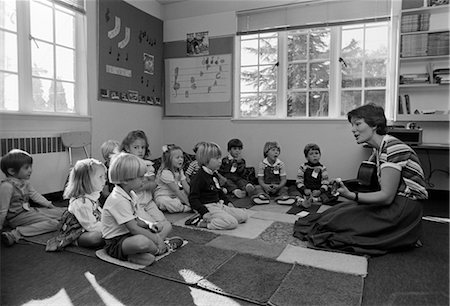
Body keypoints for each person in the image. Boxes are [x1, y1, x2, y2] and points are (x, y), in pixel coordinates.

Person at [293, 104, 428, 255]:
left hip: (403, 208)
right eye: (352, 125)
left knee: (336, 226)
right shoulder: (379, 149)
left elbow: (386, 197)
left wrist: (350, 195)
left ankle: (404, 233)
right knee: (331, 215)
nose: (353, 129)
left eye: (358, 124)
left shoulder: (392, 148)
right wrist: (346, 189)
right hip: (395, 202)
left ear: (375, 125)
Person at [102, 152, 183, 266]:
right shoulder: (118, 199)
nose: (144, 180)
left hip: (129, 235)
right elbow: (134, 228)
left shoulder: (131, 194)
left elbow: (136, 219)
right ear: (125, 180)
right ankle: (161, 248)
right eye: (140, 177)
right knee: (142, 241)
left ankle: (140, 253)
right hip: (116, 242)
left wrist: (149, 224)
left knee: (166, 225)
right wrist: (157, 239)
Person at [0, 149, 64, 246]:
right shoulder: (7, 186)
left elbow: (35, 196)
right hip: (16, 218)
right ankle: (15, 234)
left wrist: (50, 205)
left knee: (63, 212)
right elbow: (3, 210)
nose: (30, 170)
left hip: (29, 211)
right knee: (54, 224)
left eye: (30, 167)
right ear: (12, 171)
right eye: (26, 168)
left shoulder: (25, 182)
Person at [120, 130, 171, 239]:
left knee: (164, 223)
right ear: (128, 148)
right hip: (136, 205)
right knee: (150, 224)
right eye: (136, 147)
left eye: (143, 147)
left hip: (149, 201)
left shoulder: (148, 165)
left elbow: (154, 183)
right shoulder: (127, 165)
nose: (140, 151)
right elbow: (136, 187)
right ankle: (156, 240)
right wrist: (146, 182)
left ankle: (157, 239)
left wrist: (145, 183)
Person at [188, 142, 248, 230]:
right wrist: (204, 212)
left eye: (220, 157)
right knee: (232, 223)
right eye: (217, 158)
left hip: (219, 204)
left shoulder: (213, 174)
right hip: (208, 208)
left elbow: (219, 191)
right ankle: (201, 222)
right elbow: (193, 198)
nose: (220, 161)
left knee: (243, 216)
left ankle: (220, 217)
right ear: (206, 160)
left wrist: (228, 202)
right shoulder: (199, 177)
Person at [63, 158, 107, 248]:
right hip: (77, 232)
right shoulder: (81, 203)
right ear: (86, 180)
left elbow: (99, 213)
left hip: (87, 227)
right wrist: (111, 227)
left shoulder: (92, 196)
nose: (104, 180)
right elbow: (91, 226)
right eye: (100, 177)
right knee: (96, 238)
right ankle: (73, 242)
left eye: (104, 177)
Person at [154, 145, 191, 213]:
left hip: (175, 196)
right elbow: (175, 190)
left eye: (182, 157)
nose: (181, 159)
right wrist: (188, 203)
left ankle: (182, 203)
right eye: (177, 157)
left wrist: (193, 197)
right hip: (163, 195)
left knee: (188, 193)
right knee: (165, 202)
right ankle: (184, 208)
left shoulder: (179, 170)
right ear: (169, 160)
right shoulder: (165, 172)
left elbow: (185, 185)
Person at [99, 140, 120, 205]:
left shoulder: (119, 168)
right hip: (108, 201)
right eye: (116, 155)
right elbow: (105, 193)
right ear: (107, 157)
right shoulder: (104, 171)